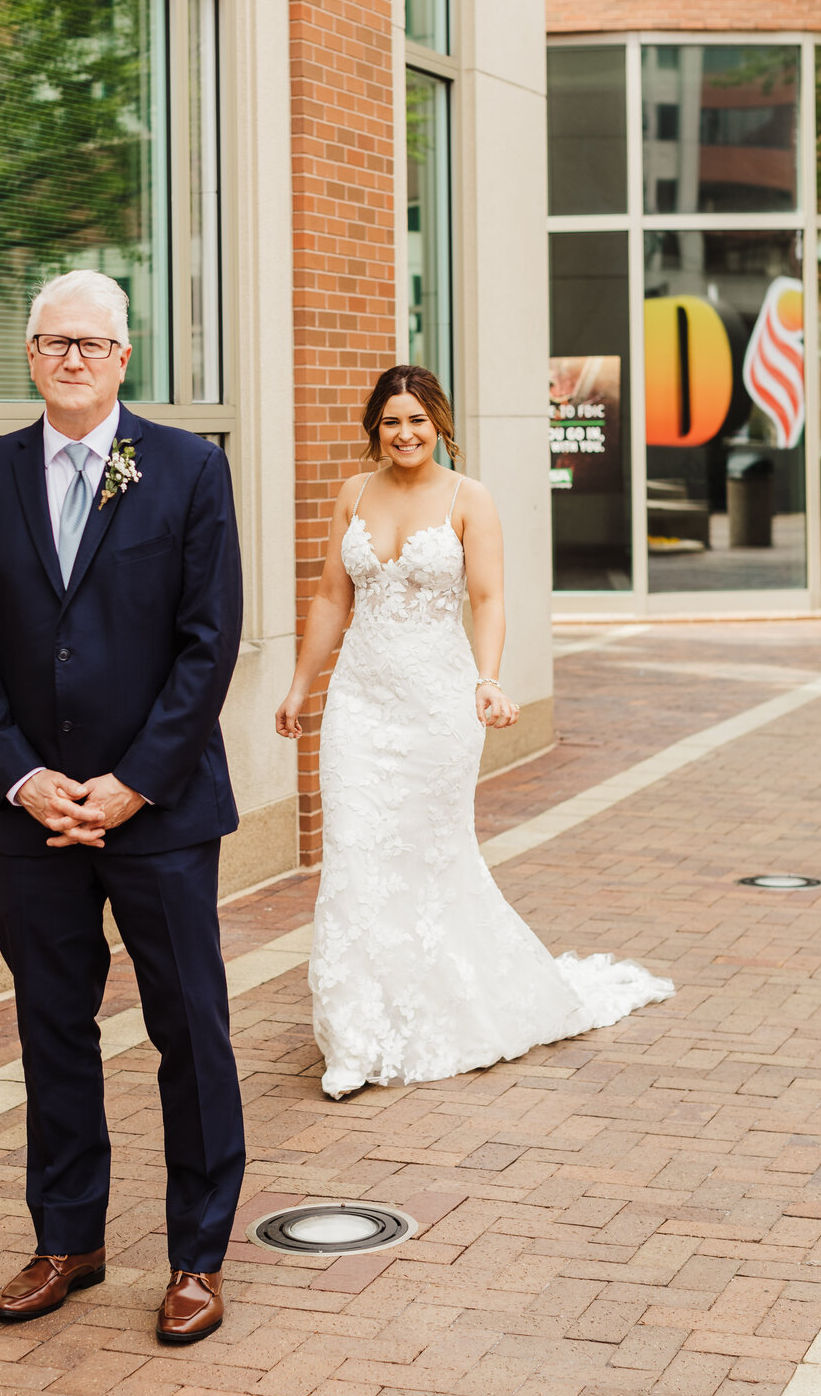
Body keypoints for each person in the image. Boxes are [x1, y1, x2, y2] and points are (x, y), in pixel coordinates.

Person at [0, 269, 244, 1346]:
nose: (71, 357)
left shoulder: (188, 470)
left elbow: (209, 646)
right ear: (29, 356)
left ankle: (198, 1255)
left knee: (189, 1032)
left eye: (91, 343)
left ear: (124, 358)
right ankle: (67, 1239)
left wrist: (133, 782)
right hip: (33, 817)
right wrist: (24, 778)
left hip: (157, 813)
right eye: (52, 341)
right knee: (51, 1029)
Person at [276, 365, 673, 1100]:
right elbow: (333, 597)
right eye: (391, 421)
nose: (404, 434)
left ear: (440, 424)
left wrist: (488, 680)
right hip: (360, 703)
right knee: (355, 854)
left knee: (428, 856)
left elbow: (488, 600)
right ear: (376, 428)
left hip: (438, 705)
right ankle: (355, 1034)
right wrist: (302, 686)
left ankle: (442, 1010)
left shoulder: (470, 499)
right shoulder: (352, 495)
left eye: (417, 420)